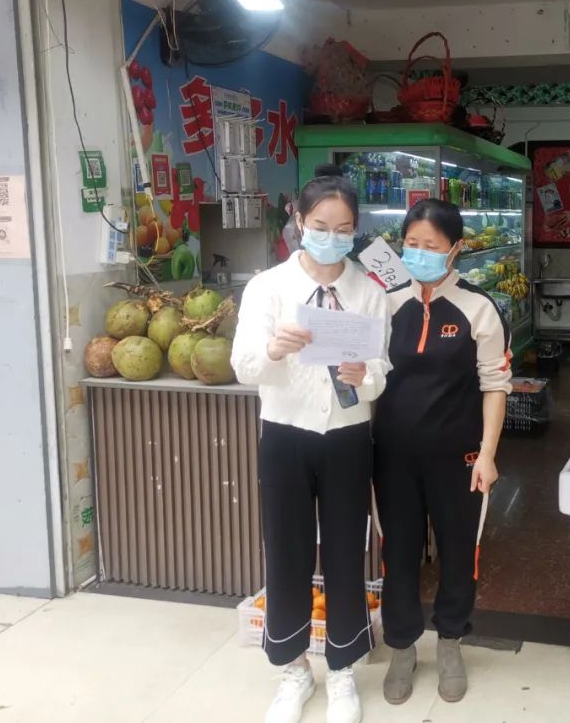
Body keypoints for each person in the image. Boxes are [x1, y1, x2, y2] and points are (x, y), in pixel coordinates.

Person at [230, 166, 390, 723]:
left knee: (346, 551)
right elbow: (244, 367)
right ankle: (293, 670)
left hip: (348, 437)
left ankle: (342, 671)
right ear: (299, 222)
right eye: (321, 226)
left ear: (355, 230)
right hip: (284, 435)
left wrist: (364, 374)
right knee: (287, 550)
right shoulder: (267, 287)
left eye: (344, 229)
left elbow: (381, 373)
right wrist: (274, 349)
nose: (331, 237)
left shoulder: (369, 291)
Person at [373, 198, 512, 705]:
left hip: (461, 459)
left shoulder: (478, 308)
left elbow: (495, 385)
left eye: (430, 245)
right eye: (411, 244)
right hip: (392, 458)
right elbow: (369, 378)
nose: (419, 253)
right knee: (398, 552)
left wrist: (488, 453)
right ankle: (402, 646)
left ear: (455, 250)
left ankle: (451, 641)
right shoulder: (386, 304)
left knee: (458, 552)